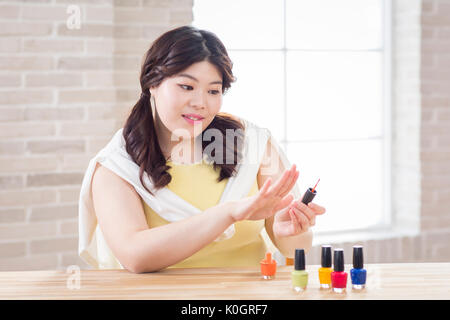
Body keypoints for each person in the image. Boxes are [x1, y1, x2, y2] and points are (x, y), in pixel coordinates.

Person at [78, 25, 326, 273]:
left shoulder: (253, 145)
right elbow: (135, 256)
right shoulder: (117, 165)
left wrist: (292, 230)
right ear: (152, 83)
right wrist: (227, 214)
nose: (200, 103)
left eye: (213, 91)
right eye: (187, 87)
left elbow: (295, 249)